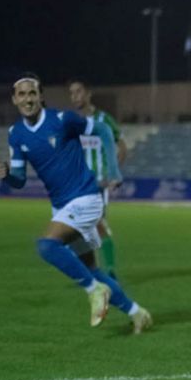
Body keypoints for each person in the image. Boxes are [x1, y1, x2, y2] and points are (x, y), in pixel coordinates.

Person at [0, 74, 152, 334]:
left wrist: (114, 171)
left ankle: (93, 291)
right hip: (62, 206)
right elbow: (20, 180)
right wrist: (8, 175)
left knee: (46, 246)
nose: (28, 99)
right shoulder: (15, 134)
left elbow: (102, 130)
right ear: (14, 100)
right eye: (21, 94)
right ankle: (137, 313)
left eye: (32, 93)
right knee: (91, 269)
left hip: (86, 198)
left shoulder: (61, 119)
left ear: (41, 97)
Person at [68, 78, 127, 279]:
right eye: (72, 93)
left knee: (98, 225)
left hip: (98, 184)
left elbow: (122, 147)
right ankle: (92, 270)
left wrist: (113, 176)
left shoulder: (104, 120)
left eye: (78, 91)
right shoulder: (71, 122)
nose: (75, 96)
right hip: (77, 186)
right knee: (78, 230)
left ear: (88, 94)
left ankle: (110, 271)